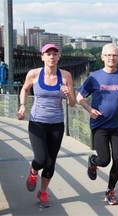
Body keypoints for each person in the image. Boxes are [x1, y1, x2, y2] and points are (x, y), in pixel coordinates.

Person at [76, 43, 118, 205]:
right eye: (108, 55)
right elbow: (79, 97)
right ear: (102, 57)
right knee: (104, 160)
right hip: (100, 126)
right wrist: (89, 109)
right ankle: (93, 161)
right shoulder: (94, 77)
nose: (112, 58)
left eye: (115, 55)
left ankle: (110, 191)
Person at [17, 43, 76, 208]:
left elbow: (72, 104)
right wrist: (22, 106)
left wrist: (68, 94)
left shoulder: (65, 76)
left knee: (51, 162)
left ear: (58, 57)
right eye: (48, 54)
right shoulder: (34, 74)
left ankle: (43, 192)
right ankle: (33, 171)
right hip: (37, 122)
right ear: (42, 57)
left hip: (57, 124)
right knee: (41, 159)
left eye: (54, 54)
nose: (51, 57)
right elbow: (24, 89)